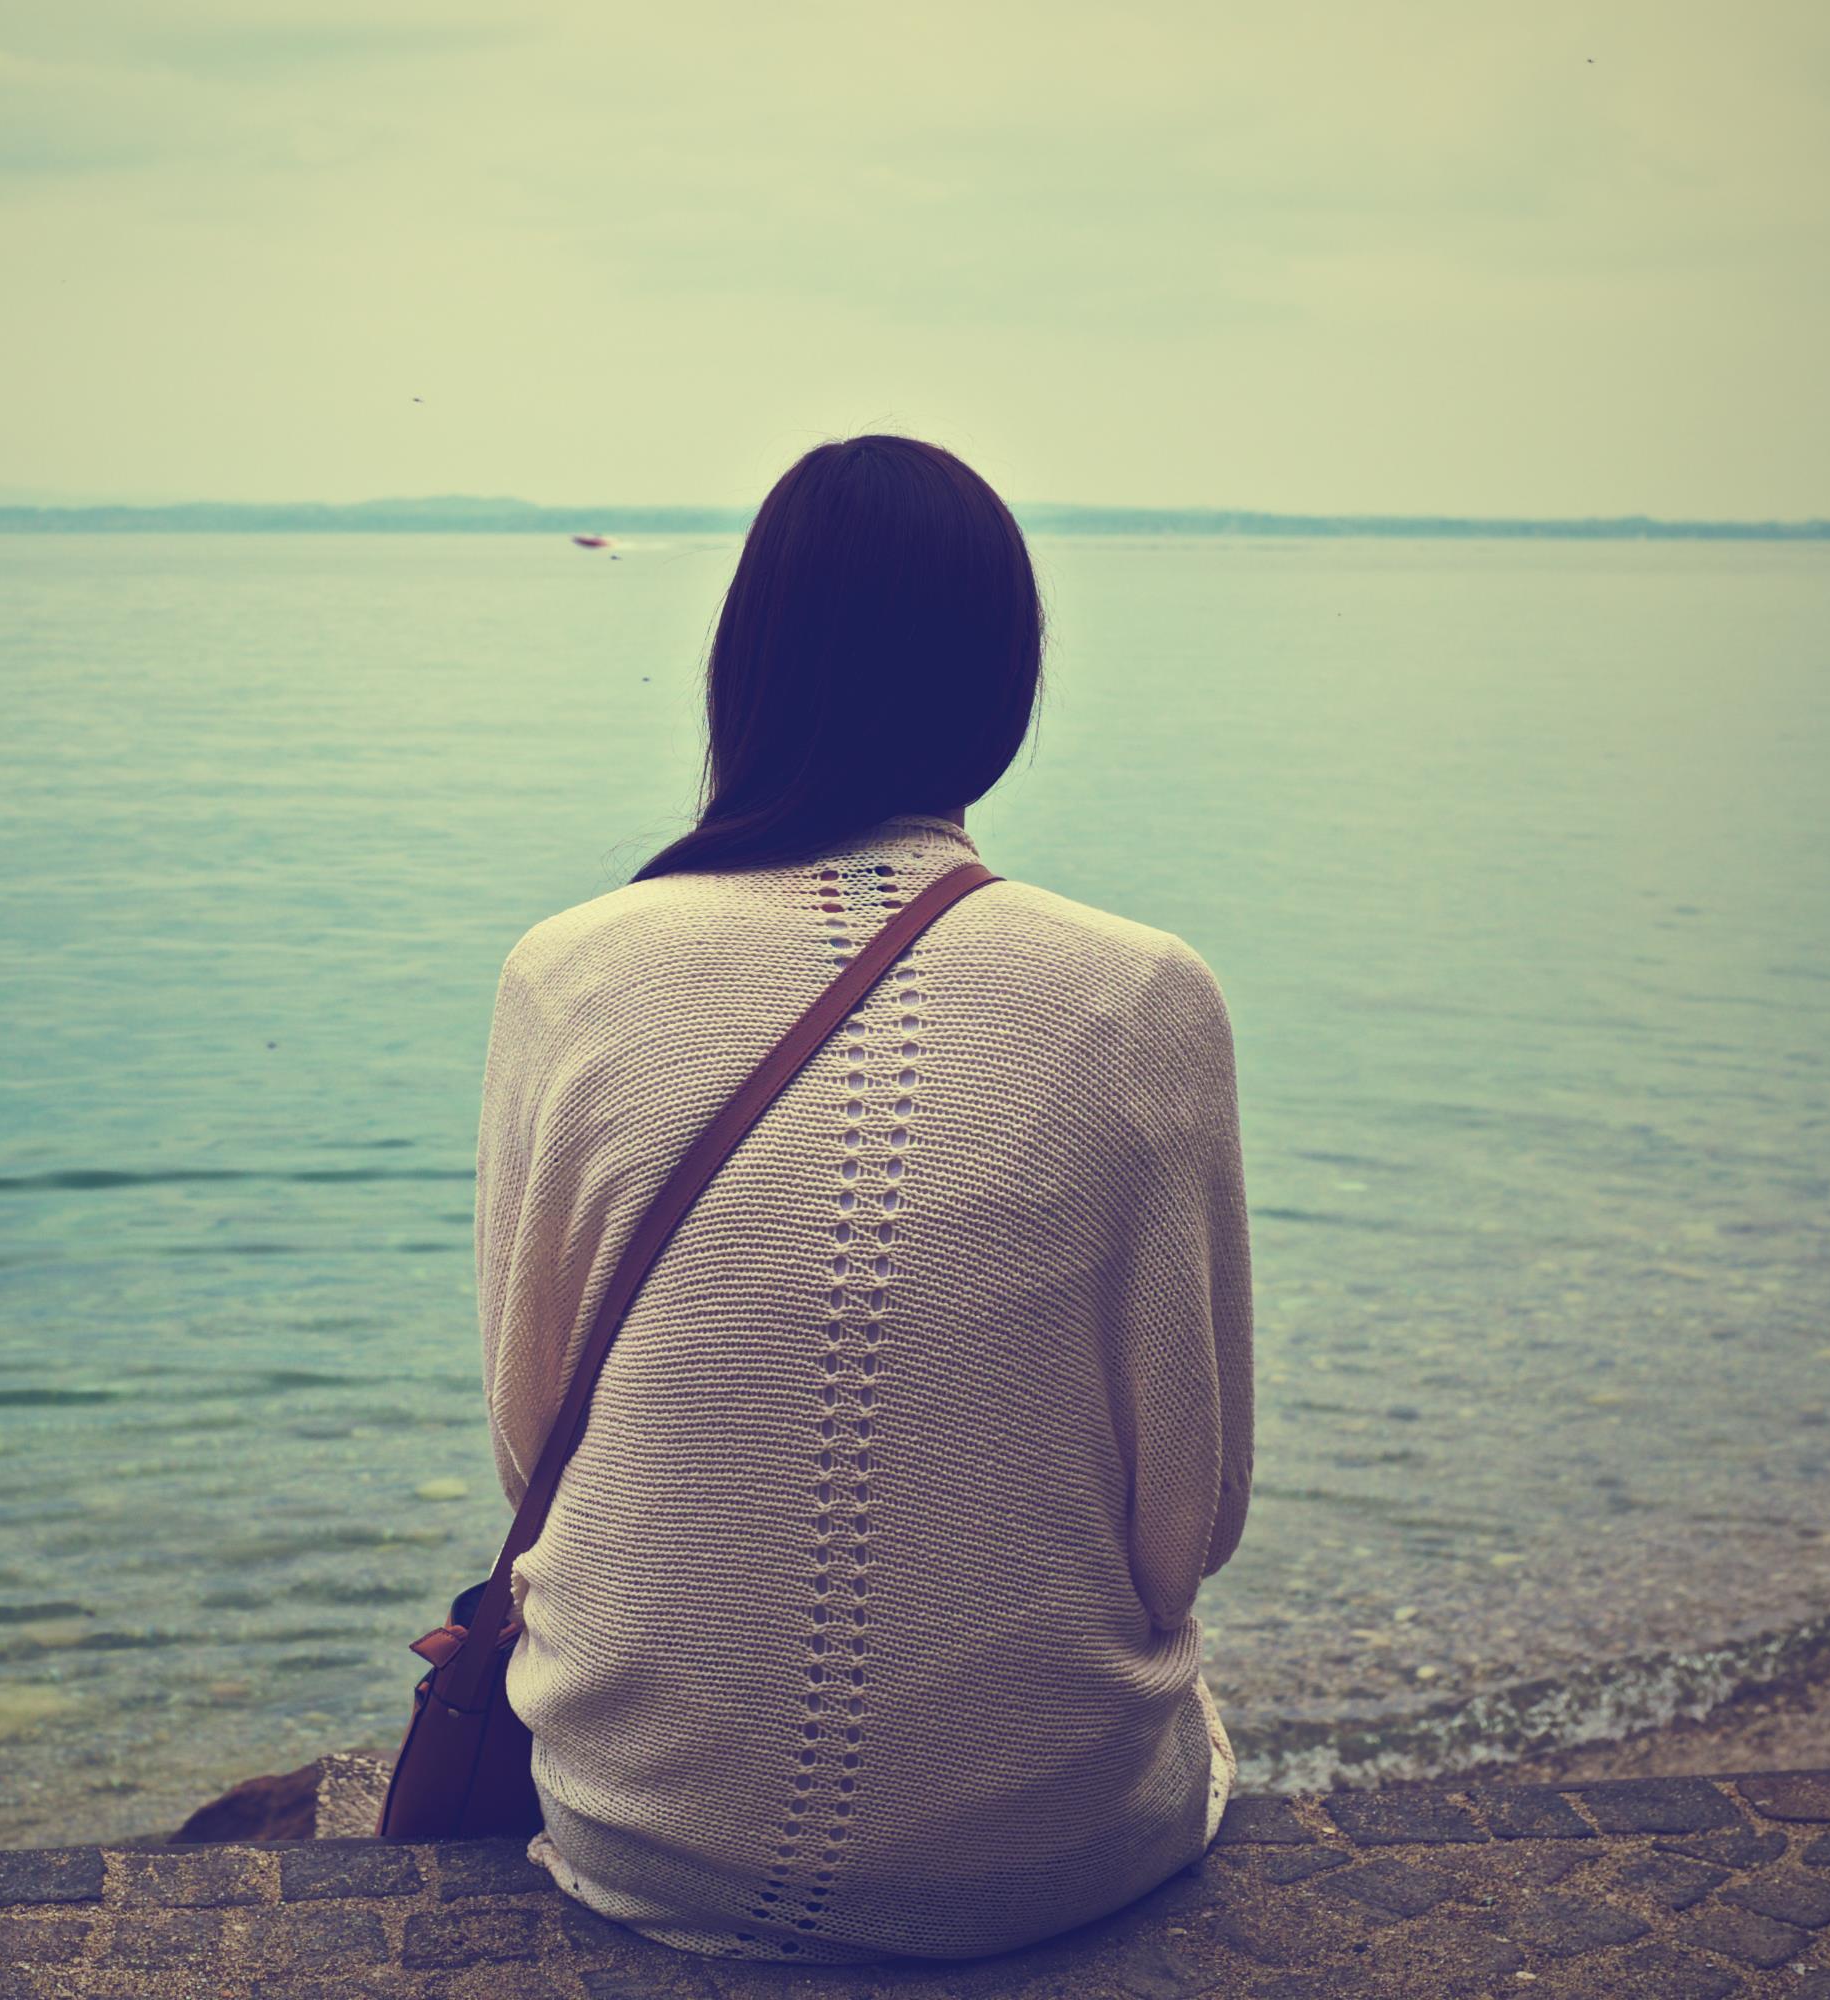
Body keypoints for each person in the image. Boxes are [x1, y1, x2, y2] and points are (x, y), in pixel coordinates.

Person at [470, 433, 1253, 1963]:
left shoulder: (567, 975)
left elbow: (530, 1444)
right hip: (1055, 1844)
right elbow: (1192, 1524)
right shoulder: (1143, 996)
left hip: (644, 1830)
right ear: (1005, 686)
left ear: (744, 670)